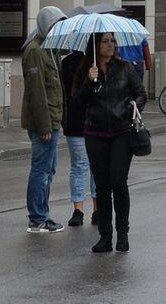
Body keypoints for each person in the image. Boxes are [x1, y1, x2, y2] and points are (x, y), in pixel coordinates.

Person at [70, 32, 145, 253]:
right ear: (95, 45)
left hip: (122, 132)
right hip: (95, 134)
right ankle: (105, 236)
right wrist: (89, 81)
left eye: (113, 41)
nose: (110, 45)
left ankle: (123, 233)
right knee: (102, 187)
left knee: (118, 182)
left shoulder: (125, 68)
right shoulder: (87, 71)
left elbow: (141, 94)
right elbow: (77, 103)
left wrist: (131, 109)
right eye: (105, 41)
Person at [20, 6, 66, 233]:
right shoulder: (35, 51)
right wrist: (44, 126)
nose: (58, 28)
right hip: (44, 122)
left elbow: (57, 88)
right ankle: (37, 217)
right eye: (56, 24)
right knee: (41, 170)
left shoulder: (50, 49)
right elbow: (36, 92)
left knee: (49, 169)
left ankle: (42, 214)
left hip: (53, 119)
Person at [57, 46, 93, 229]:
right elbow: (68, 95)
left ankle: (97, 208)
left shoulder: (103, 63)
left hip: (98, 122)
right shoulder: (69, 63)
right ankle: (78, 209)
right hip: (76, 122)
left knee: (96, 168)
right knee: (80, 166)